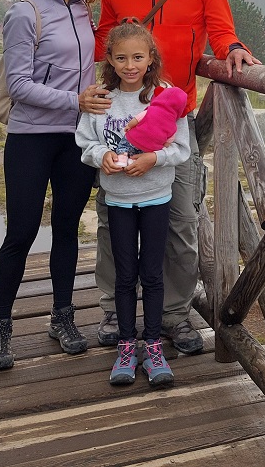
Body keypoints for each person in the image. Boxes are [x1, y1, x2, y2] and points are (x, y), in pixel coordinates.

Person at [81, 0, 259, 355]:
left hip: (174, 122)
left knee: (180, 224)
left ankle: (174, 317)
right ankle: (110, 312)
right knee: (110, 223)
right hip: (121, 122)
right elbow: (102, 38)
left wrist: (234, 49)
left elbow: (220, 28)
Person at [0, 0, 102, 371]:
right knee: (20, 234)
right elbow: (18, 85)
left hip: (75, 139)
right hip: (31, 139)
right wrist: (76, 100)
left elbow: (87, 70)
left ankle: (63, 318)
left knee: (68, 229)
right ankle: (0, 330)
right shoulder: (25, 12)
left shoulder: (82, 10)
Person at [76, 23, 190, 386]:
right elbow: (85, 142)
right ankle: (127, 346)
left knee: (152, 274)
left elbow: (182, 148)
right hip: (119, 200)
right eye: (121, 57)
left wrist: (153, 159)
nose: (130, 65)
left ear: (151, 58)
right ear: (109, 58)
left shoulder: (165, 95)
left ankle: (153, 345)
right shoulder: (102, 98)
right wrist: (102, 156)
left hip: (157, 197)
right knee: (125, 276)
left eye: (138, 57)